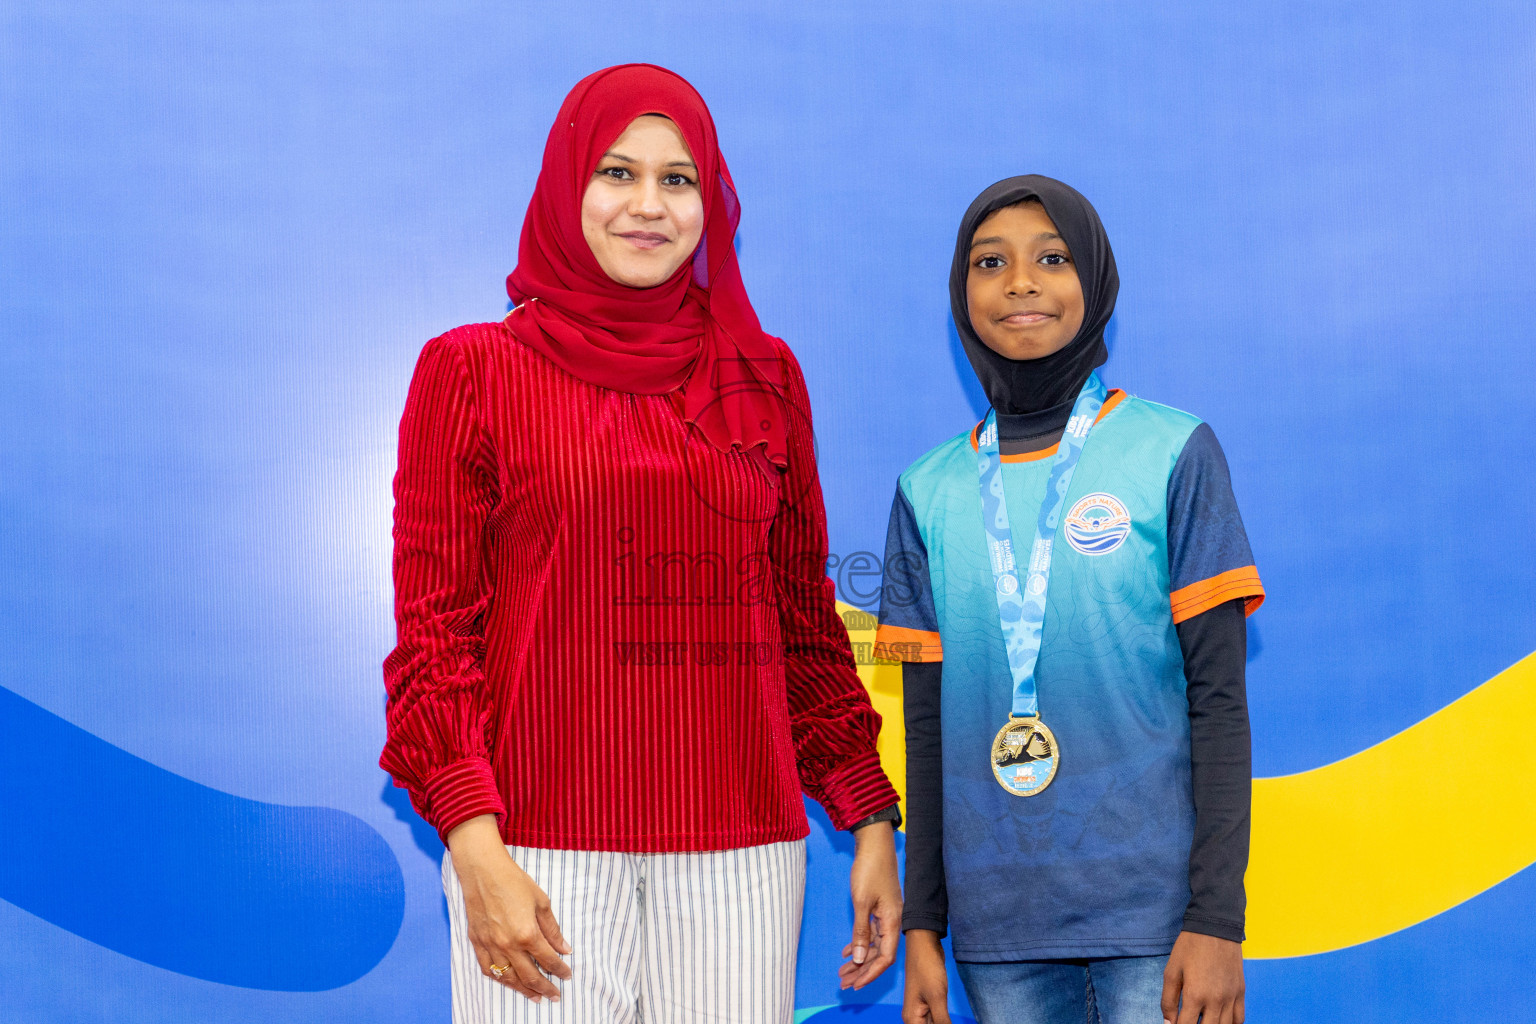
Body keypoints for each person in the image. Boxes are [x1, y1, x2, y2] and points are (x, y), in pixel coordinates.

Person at [380, 64, 902, 1024]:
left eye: (679, 179)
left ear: (712, 201)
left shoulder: (766, 376)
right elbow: (435, 633)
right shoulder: (471, 371)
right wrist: (474, 846)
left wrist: (868, 815)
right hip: (533, 851)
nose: (649, 206)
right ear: (568, 183)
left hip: (741, 849)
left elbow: (802, 624)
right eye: (618, 173)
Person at [876, 176, 1264, 1024]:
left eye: (1052, 258)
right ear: (961, 291)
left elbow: (1220, 705)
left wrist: (1215, 921)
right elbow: (928, 731)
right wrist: (924, 925)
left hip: (1156, 925)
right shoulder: (927, 489)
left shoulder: (1172, 451)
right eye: (991, 262)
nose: (1020, 282)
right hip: (996, 931)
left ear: (1095, 283)